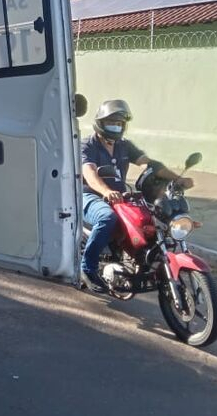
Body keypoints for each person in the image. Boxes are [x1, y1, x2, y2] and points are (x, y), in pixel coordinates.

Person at [81, 99, 195, 292]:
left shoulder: (124, 145)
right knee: (106, 218)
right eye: (111, 122)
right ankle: (88, 269)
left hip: (121, 196)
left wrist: (178, 179)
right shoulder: (87, 145)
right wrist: (107, 191)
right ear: (100, 122)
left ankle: (142, 263)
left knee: (150, 220)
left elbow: (150, 164)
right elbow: (90, 174)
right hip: (91, 196)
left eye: (119, 123)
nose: (115, 127)